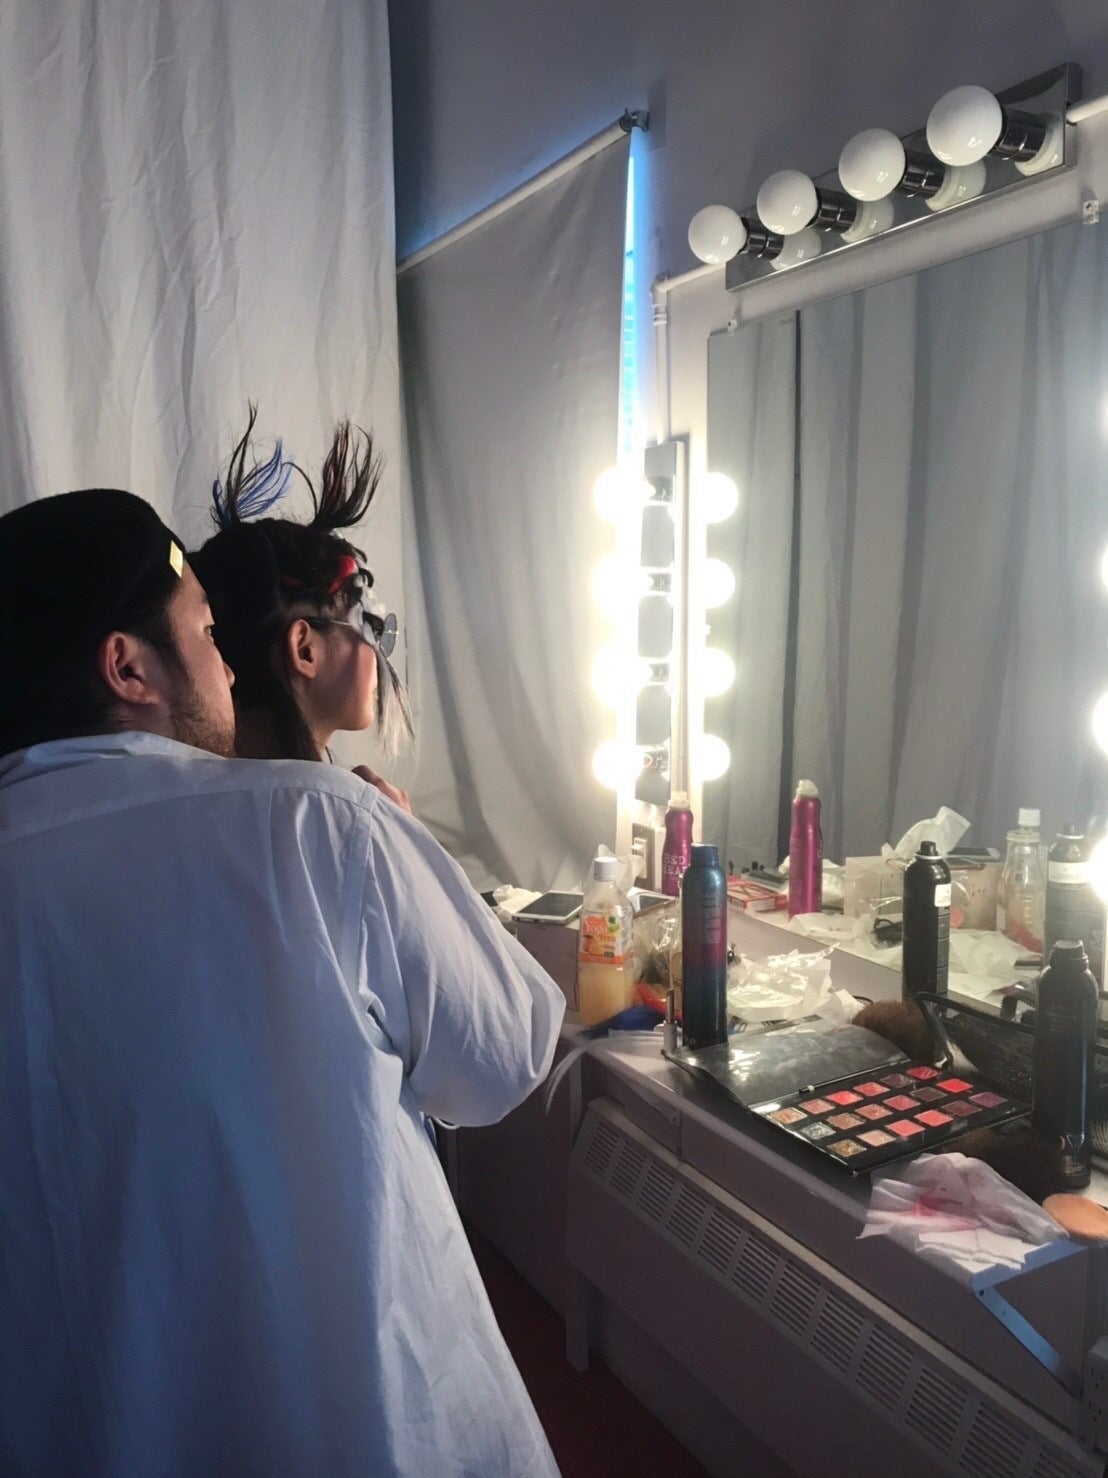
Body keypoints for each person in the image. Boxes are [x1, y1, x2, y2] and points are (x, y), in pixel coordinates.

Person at [0, 488, 565, 1476]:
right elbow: (502, 1055)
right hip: (359, 1420)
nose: (226, 665)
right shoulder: (318, 825)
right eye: (205, 634)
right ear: (128, 666)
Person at [190, 408, 411, 809]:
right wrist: (396, 831)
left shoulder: (194, 798)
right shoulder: (349, 818)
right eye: (371, 627)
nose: (378, 654)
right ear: (305, 649)